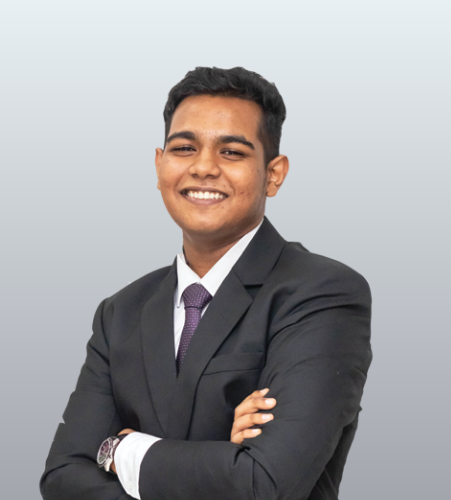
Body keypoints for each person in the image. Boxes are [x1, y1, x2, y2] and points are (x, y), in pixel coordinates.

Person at [40, 66, 372, 500]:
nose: (203, 167)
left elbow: (264, 483)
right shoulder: (121, 312)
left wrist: (121, 450)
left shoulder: (321, 294)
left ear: (274, 174)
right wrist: (222, 453)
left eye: (231, 152)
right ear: (159, 164)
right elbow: (62, 478)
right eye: (184, 148)